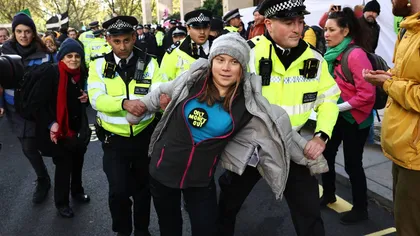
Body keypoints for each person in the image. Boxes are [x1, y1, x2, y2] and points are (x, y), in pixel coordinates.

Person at [126, 33, 328, 236]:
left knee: (206, 230)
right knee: (169, 229)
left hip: (201, 181)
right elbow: (162, 91)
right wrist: (141, 107)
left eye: (234, 62)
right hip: (162, 170)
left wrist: (310, 155)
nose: (225, 67)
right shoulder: (193, 80)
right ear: (212, 61)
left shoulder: (249, 102)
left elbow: (281, 131)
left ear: (242, 67)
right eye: (220, 60)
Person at [218, 0, 341, 235]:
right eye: (288, 22)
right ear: (268, 24)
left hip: (291, 145)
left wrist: (321, 135)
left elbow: (329, 99)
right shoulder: (248, 53)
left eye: (300, 22)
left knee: (308, 212)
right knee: (227, 204)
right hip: (251, 145)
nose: (297, 28)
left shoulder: (314, 59)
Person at [87, 16, 162, 236]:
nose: (122, 46)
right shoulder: (99, 64)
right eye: (117, 41)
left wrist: (149, 104)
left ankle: (141, 229)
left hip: (144, 137)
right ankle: (122, 230)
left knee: (143, 189)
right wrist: (123, 103)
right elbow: (96, 98)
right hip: (114, 141)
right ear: (108, 39)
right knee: (118, 191)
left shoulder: (149, 62)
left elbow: (158, 93)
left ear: (134, 37)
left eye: (127, 40)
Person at [363, 0, 420, 234]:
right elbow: (406, 75)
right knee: (404, 221)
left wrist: (388, 83)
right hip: (403, 147)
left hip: (415, 155)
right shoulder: (408, 29)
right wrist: (386, 75)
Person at [321, 7, 375, 225]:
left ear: (345, 31)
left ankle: (361, 209)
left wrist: (339, 108)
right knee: (326, 156)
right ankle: (328, 194)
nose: (325, 34)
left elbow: (367, 95)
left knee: (353, 164)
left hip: (356, 119)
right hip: (337, 115)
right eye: (325, 29)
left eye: (331, 30)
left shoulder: (356, 55)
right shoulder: (331, 54)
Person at [0, 13, 54, 204]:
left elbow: (54, 82)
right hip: (16, 111)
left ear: (33, 33)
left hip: (40, 111)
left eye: (28, 31)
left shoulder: (45, 55)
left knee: (52, 147)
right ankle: (43, 179)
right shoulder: (3, 53)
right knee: (28, 147)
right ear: (14, 33)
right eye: (19, 31)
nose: (23, 35)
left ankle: (69, 182)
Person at [36, 38, 91, 218]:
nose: (73, 59)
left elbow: (81, 93)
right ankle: (61, 203)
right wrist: (52, 124)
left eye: (77, 56)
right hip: (59, 129)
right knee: (63, 167)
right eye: (69, 56)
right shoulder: (52, 73)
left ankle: (77, 191)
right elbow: (39, 104)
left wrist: (85, 96)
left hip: (77, 127)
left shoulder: (81, 72)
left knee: (78, 162)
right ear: (61, 57)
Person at [159, 9, 214, 82]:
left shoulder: (219, 47)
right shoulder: (175, 51)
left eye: (205, 27)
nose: (202, 32)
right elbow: (164, 82)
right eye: (197, 28)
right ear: (188, 28)